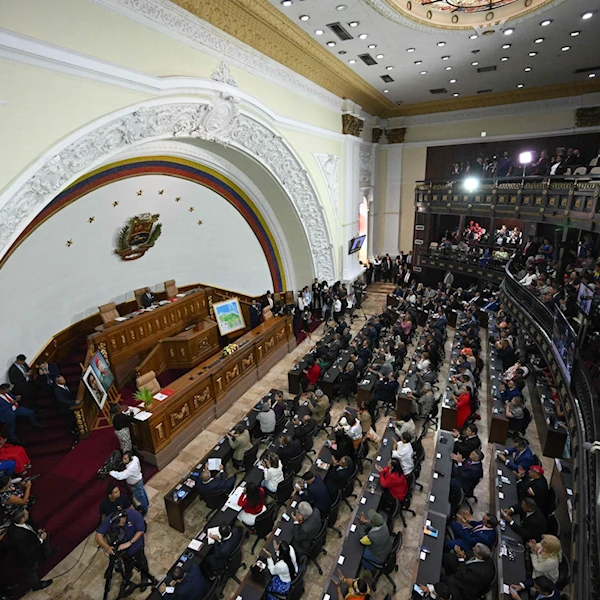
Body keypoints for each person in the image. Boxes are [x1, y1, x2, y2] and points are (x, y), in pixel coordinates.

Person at [96, 508, 151, 591]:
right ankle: (128, 575)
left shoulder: (135, 515)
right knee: (126, 562)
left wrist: (130, 542)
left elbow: (141, 530)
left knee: (141, 561)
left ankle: (144, 577)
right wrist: (107, 547)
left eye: (122, 522)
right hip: (121, 548)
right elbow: (98, 536)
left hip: (136, 545)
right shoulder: (111, 519)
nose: (121, 525)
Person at [8, 508, 55, 591]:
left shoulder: (20, 522)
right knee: (32, 569)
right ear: (22, 518)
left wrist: (37, 531)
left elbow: (29, 526)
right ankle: (36, 585)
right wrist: (40, 540)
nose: (28, 513)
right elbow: (27, 550)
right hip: (28, 554)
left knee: (46, 537)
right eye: (26, 513)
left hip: (33, 540)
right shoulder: (17, 535)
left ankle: (48, 553)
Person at [109, 451, 150, 516]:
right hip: (139, 479)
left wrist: (111, 472)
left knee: (140, 497)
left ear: (130, 459)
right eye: (123, 458)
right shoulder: (135, 458)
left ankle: (144, 509)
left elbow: (121, 476)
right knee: (142, 493)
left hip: (136, 484)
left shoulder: (131, 468)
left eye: (125, 459)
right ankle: (146, 504)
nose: (123, 460)